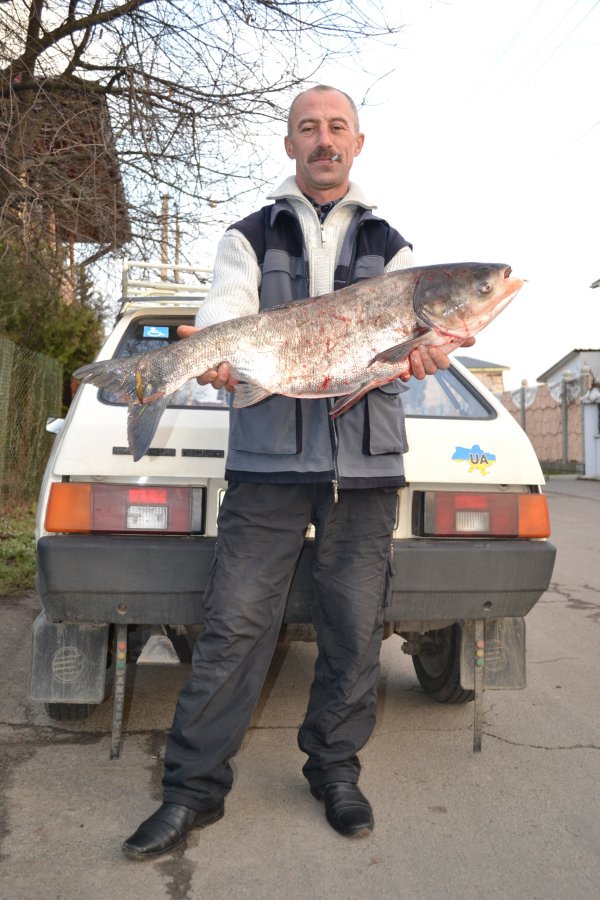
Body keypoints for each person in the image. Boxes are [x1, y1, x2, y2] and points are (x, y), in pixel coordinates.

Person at [122, 85, 472, 860]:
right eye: (308, 128)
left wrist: (422, 356)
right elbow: (224, 316)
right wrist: (216, 356)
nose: (323, 139)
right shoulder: (247, 237)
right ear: (290, 145)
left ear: (357, 142)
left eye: (337, 127)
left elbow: (406, 354)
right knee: (233, 629)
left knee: (354, 631)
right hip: (266, 465)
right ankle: (191, 791)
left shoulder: (396, 250)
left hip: (365, 468)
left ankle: (336, 772)